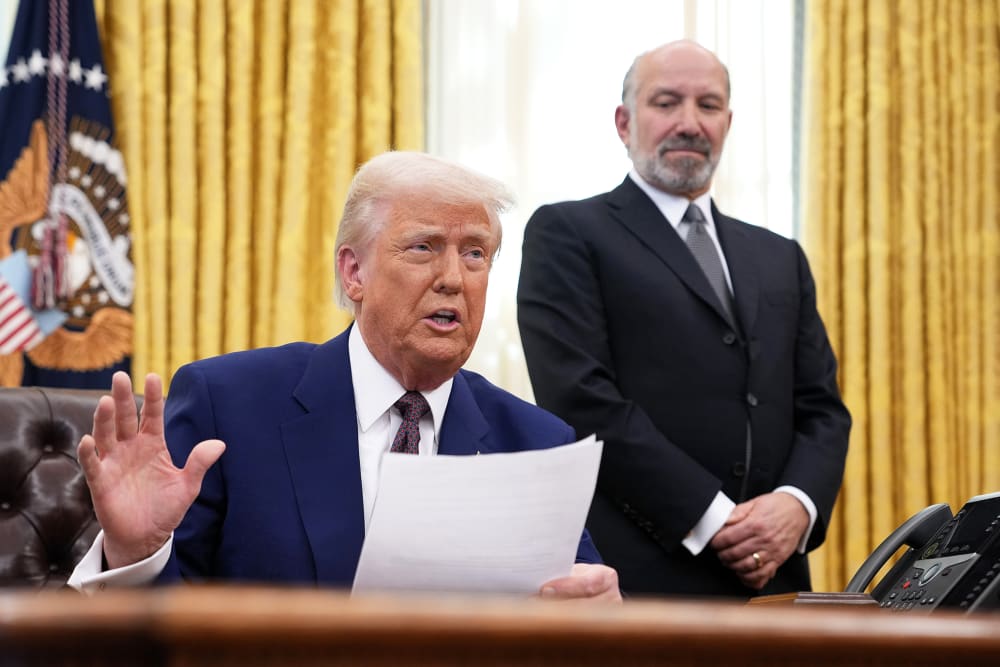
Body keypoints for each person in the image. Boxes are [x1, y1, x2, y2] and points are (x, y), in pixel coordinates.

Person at [69, 151, 620, 602]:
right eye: (424, 247)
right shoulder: (230, 406)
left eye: (475, 254)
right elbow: (164, 628)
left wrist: (599, 617)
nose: (454, 278)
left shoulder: (535, 442)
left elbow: (578, 610)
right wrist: (136, 553)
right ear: (354, 272)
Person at [516, 40, 851, 598]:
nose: (690, 123)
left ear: (728, 123)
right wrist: (714, 518)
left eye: (709, 105)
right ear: (624, 123)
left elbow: (822, 411)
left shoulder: (780, 256)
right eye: (667, 102)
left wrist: (797, 505)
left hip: (775, 583)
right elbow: (581, 400)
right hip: (640, 582)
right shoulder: (568, 233)